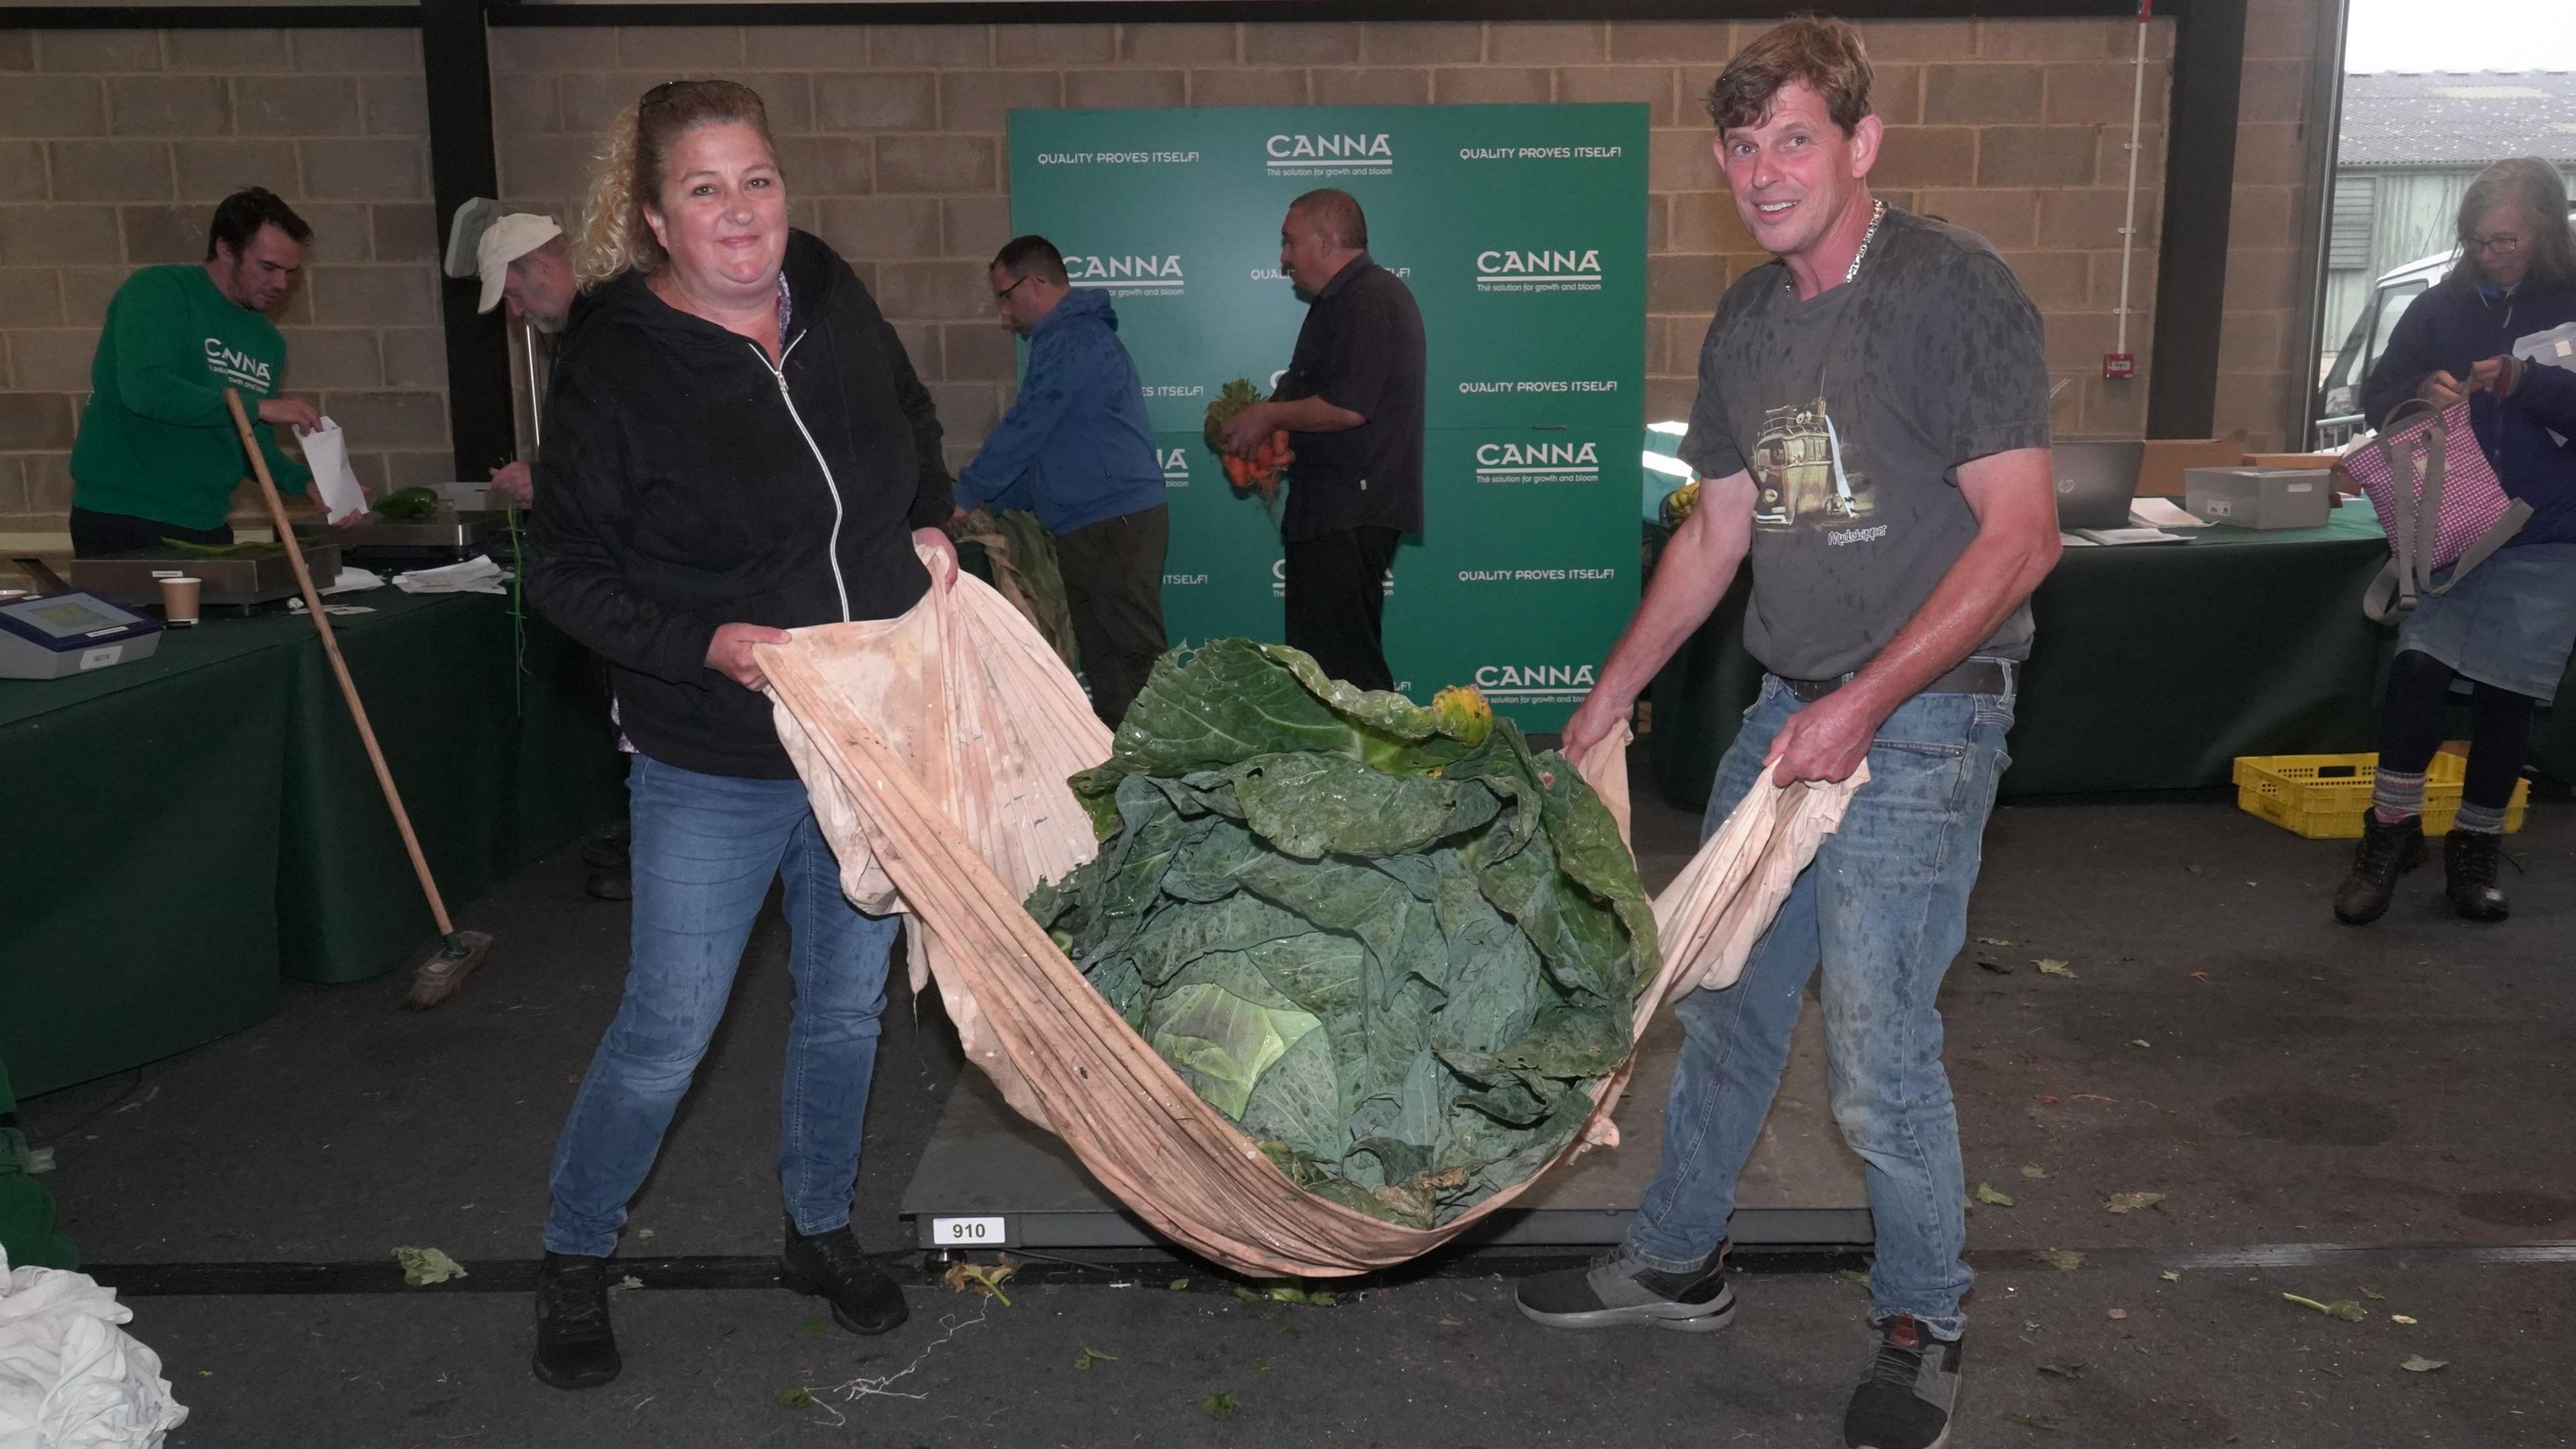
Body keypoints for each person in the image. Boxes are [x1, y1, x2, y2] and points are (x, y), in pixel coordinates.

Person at [1509, 20, 2059, 1449]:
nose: (1765, 171)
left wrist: (1865, 707)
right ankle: (1682, 1257)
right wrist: (1612, 690)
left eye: (1795, 139)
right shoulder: (1750, 321)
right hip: (1789, 710)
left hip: (1924, 726)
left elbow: (2024, 537)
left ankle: (1922, 1315)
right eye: (1743, 146)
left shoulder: (1954, 290)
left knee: (1877, 1055)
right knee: (1730, 1004)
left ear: (1862, 145)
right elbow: (1721, 533)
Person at [521, 78, 959, 1391]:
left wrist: (926, 524)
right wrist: (708, 644)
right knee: (668, 1027)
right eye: (705, 189)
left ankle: (819, 1231)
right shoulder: (615, 362)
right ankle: (575, 1256)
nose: (740, 213)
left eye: (757, 180)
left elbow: (912, 427)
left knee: (844, 1014)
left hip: (863, 735)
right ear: (655, 216)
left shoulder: (826, 290)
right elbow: (567, 572)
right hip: (715, 751)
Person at [2337, 157, 2576, 925]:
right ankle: (2390, 833)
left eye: (2506, 239)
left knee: (2510, 696)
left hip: (2547, 530)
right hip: (2449, 524)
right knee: (2417, 675)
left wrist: (2525, 384)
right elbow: (2378, 398)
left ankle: (2474, 850)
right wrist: (2416, 396)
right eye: (2478, 241)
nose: (2492, 253)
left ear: (2546, 229)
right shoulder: (2439, 309)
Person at [952, 235, 1169, 726]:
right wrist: (993, 505)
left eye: (1005, 295)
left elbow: (1026, 429)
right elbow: (1045, 449)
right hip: (1095, 522)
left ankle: (1172, 779)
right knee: (1107, 661)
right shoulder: (1069, 341)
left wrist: (967, 496)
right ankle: (1124, 776)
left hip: (1113, 521)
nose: (1004, 311)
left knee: (1134, 658)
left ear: (1034, 285)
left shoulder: (1072, 340)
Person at [1216, 188, 1424, 693]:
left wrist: (1266, 415)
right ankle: (1355, 769)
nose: (1283, 258)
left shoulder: (1368, 299)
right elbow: (1322, 399)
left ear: (1326, 242)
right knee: (1326, 671)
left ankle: (1381, 769)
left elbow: (1347, 407)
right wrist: (1277, 444)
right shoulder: (1343, 302)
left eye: (1289, 243)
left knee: (1344, 671)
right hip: (1335, 510)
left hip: (1349, 512)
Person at [66, 188, 349, 557]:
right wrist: (259, 407)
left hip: (206, 521)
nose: (281, 284)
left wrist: (303, 481)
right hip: (126, 515)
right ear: (226, 249)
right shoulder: (159, 292)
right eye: (268, 267)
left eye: (289, 272)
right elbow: (146, 389)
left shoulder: (267, 342)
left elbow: (251, 445)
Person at [468, 209, 580, 506]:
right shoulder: (577, 331)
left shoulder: (611, 330)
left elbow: (639, 456)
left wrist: (543, 481)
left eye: (513, 294)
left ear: (542, 268)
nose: (515, 312)